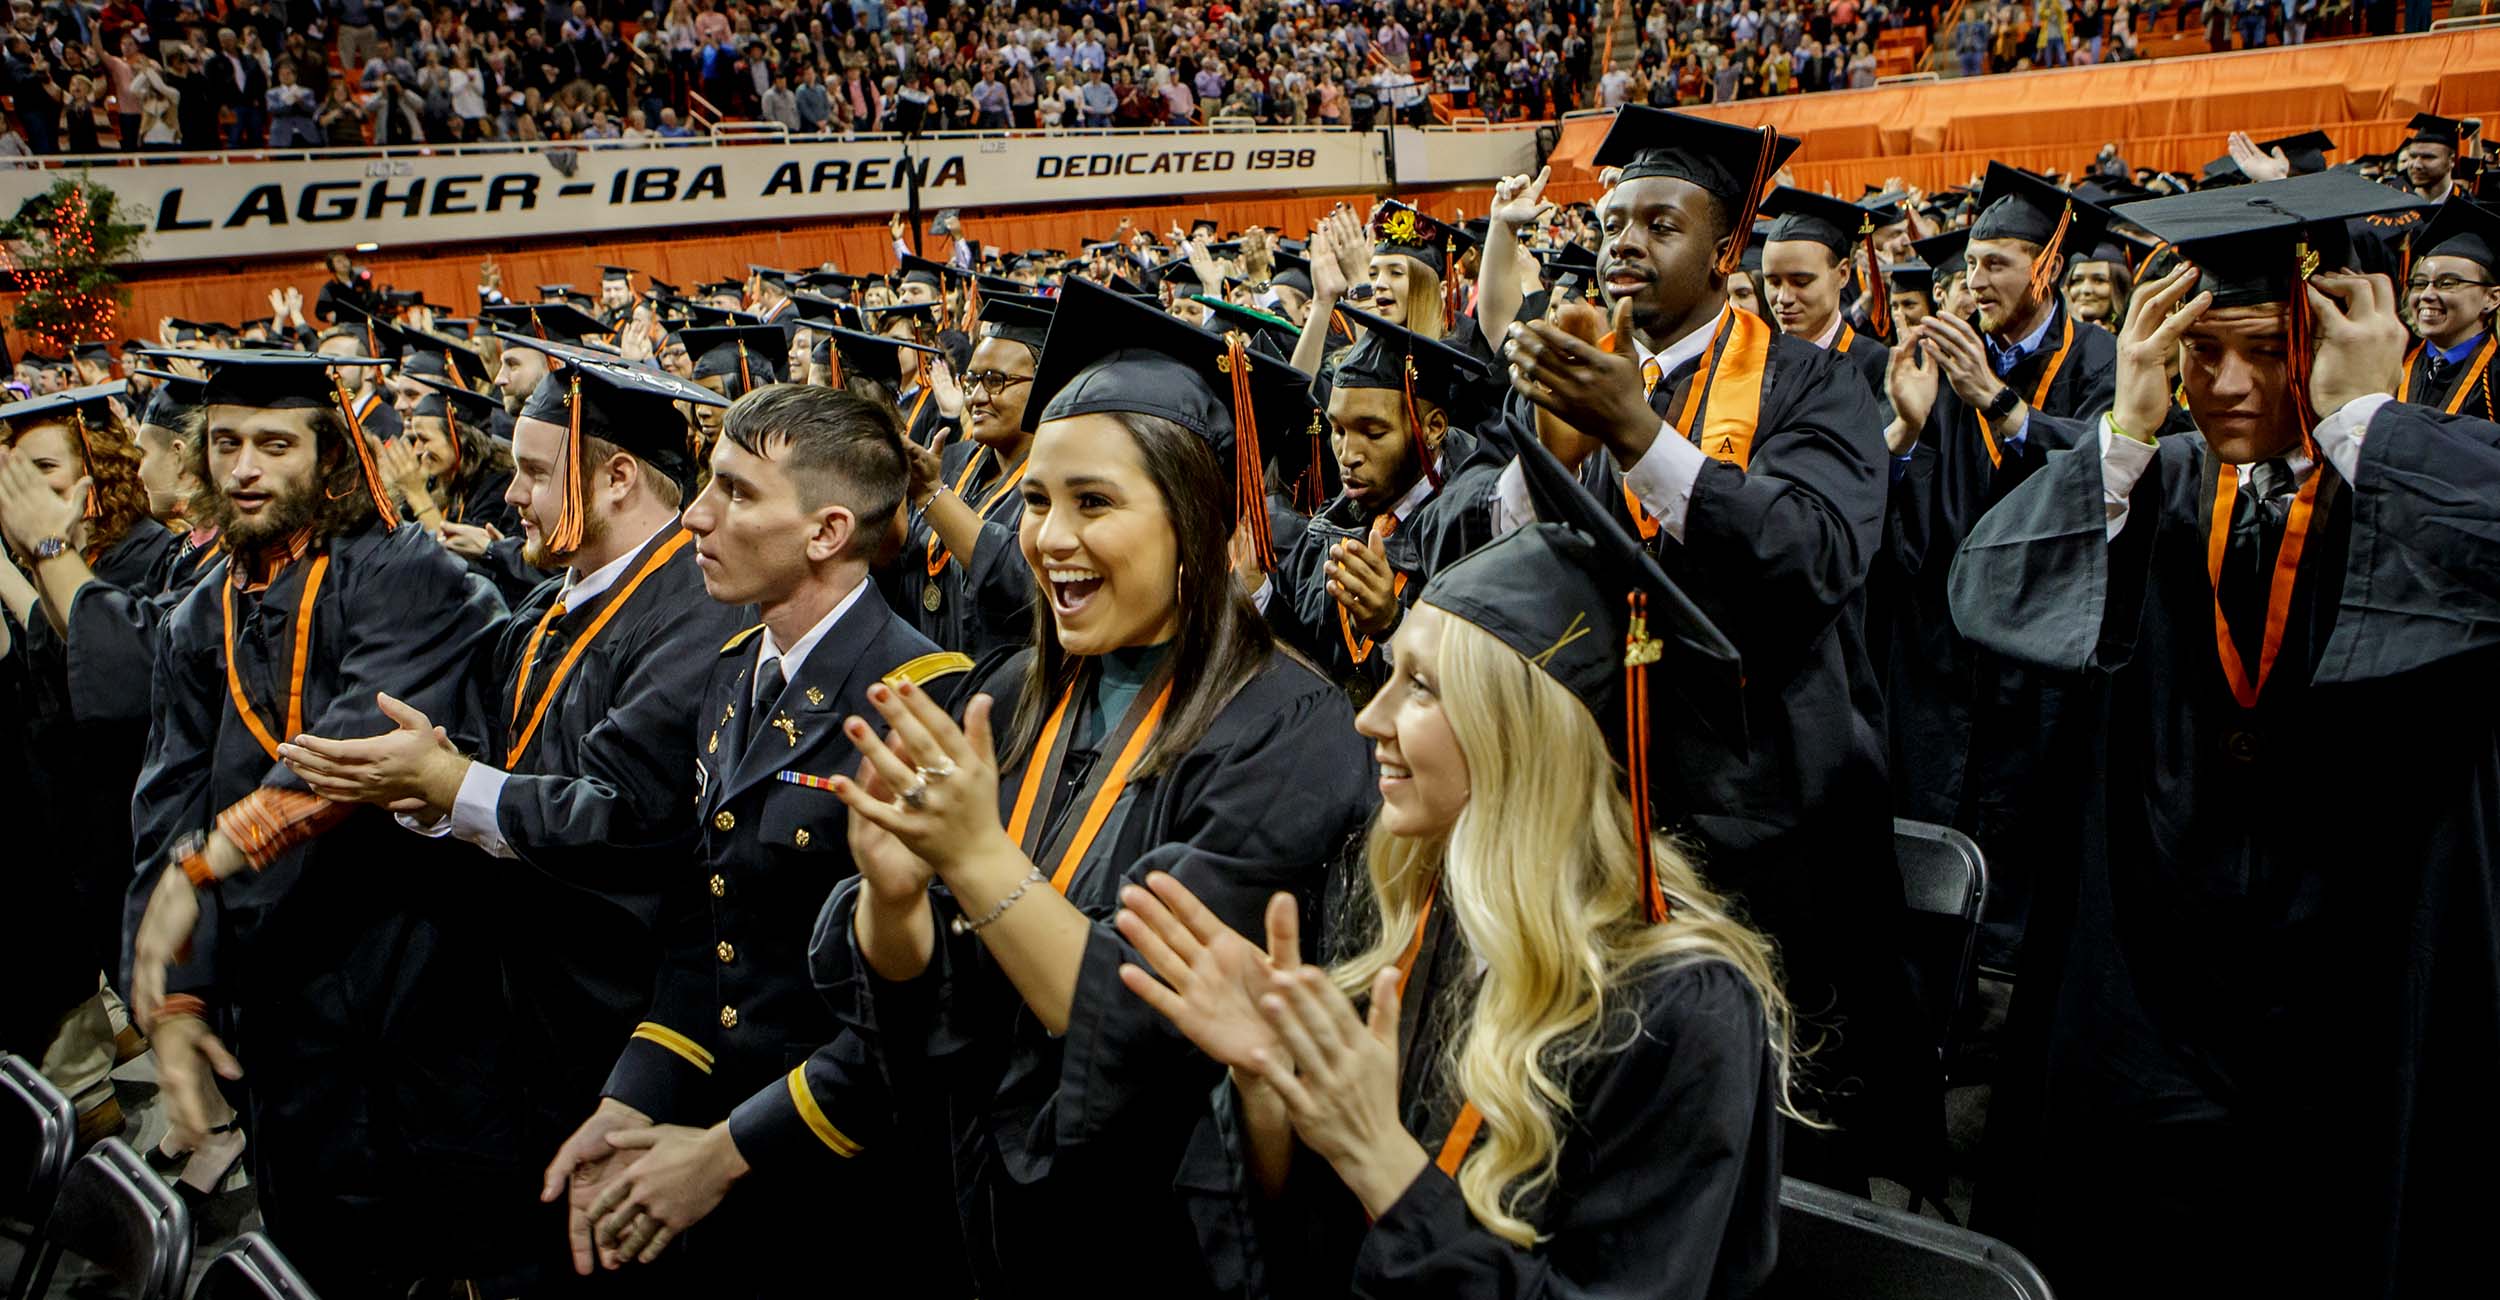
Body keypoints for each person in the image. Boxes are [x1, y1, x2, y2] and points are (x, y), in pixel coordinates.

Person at [1948, 169, 2500, 1300]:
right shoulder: (2155, 478)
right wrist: (2124, 422)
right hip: (2162, 964)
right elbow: (1988, 593)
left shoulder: (2410, 474)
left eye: (2265, 349)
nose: (2232, 384)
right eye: (2204, 352)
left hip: (2355, 974)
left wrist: (2363, 421)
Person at [799, 281, 1374, 1298]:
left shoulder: (1288, 728)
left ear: (1196, 520)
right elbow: (911, 996)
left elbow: (1158, 1026)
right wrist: (893, 900)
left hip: (1158, 1234)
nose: (1049, 538)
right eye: (1033, 500)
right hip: (979, 1206)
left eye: (1093, 502)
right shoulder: (1013, 692)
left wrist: (976, 863)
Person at [1126, 432, 1788, 1298]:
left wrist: (1379, 1157)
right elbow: (1301, 1246)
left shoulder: (1679, 1010)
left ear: (1524, 736)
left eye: (1424, 687)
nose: (1371, 719)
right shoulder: (1400, 901)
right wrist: (1270, 1087)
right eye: (1389, 676)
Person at [1495, 106, 1937, 1193]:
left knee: (1785, 1125)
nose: (1625, 243)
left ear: (1723, 250)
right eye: (1610, 222)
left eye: (1660, 221)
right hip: (1624, 807)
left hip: (1777, 809)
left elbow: (1819, 552)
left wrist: (1641, 439)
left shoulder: (1810, 383)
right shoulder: (1590, 382)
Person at [277, 351, 747, 1289]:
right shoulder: (549, 606)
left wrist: (453, 785)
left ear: (616, 476)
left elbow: (629, 817)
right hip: (526, 1017)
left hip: (628, 1016)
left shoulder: (692, 616)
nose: (514, 495)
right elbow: (495, 777)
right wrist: (426, 799)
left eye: (536, 472)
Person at [554, 383, 972, 1295]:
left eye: (738, 493)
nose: (697, 517)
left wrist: (722, 1154)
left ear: (825, 533)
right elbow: (710, 923)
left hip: (859, 1184)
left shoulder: (923, 701)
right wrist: (636, 1093)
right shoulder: (742, 665)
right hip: (728, 1149)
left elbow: (917, 1020)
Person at [122, 350, 522, 1296]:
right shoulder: (196, 619)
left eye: (275, 444)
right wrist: (173, 1000)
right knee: (316, 1257)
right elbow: (163, 812)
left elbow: (354, 746)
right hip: (286, 1010)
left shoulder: (407, 575)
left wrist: (208, 864)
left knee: (460, 1251)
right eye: (226, 445)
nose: (247, 469)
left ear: (330, 454)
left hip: (421, 983)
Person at [1880, 165, 2120, 968]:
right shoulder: (1945, 357)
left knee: (2031, 845)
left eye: (1995, 264)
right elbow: (1908, 513)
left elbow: (2117, 476)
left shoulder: (2101, 362)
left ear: (2044, 268)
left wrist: (2002, 404)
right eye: (1970, 264)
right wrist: (1909, 432)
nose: (1973, 280)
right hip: (1947, 647)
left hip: (2043, 653)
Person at [0, 381, 178, 1139]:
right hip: (75, 806)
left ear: (94, 473)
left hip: (127, 805)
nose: (24, 492)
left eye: (43, 468)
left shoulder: (144, 557)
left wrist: (43, 550)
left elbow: (116, 669)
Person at [1264, 310, 1495, 703]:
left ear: (1433, 427)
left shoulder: (1475, 527)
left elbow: (1486, 689)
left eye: (1373, 432)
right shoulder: (1328, 528)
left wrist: (1394, 625)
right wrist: (1259, 594)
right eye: (1337, 431)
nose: (1347, 455)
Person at [896, 293, 1045, 661]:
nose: (976, 397)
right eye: (972, 380)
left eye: (995, 381)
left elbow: (1022, 584)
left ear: (1045, 386)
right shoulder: (953, 460)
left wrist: (931, 494)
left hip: (1007, 688)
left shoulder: (1058, 481)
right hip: (934, 677)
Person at [1757, 186, 1897, 402]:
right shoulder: (1755, 362)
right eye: (1773, 282)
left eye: (1801, 282)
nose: (1784, 297)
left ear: (1842, 274)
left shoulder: (1876, 365)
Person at [2397, 197, 2500, 419]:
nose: (2427, 295)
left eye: (2447, 283)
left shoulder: (2495, 375)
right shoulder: (2393, 361)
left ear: (2491, 298)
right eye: (2420, 283)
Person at [2062, 240, 2136, 327]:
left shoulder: (2131, 336)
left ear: (2120, 288)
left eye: (2099, 280)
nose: (2086, 289)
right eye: (2077, 280)